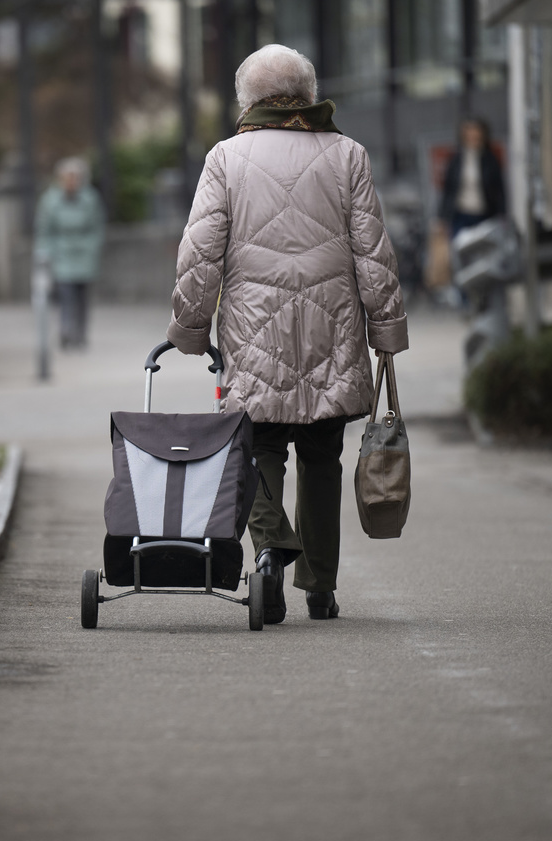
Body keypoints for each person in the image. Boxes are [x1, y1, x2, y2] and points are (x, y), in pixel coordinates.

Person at [167, 44, 408, 624]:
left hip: (255, 333)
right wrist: (387, 329)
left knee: (255, 448)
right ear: (309, 93)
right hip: (333, 327)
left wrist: (191, 328)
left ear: (246, 99)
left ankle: (272, 551)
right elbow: (373, 253)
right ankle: (320, 586)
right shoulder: (348, 154)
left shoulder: (225, 157)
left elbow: (200, 254)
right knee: (322, 455)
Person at [34, 157, 105, 350]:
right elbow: (44, 231)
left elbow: (97, 227)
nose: (71, 182)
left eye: (75, 178)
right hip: (62, 253)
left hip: (84, 254)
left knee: (82, 297)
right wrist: (45, 255)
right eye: (67, 177)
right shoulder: (50, 201)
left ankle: (81, 334)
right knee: (66, 296)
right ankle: (67, 332)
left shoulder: (90, 198)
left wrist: (92, 248)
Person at [438, 117, 506, 238]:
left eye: (476, 136)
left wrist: (502, 213)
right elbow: (448, 189)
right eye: (469, 136)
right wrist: (442, 217)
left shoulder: (490, 160)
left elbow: (498, 189)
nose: (473, 140)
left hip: (484, 214)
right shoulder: (456, 160)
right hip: (461, 214)